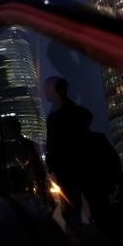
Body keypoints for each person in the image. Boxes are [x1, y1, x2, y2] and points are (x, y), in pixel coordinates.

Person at [44, 76, 91, 222]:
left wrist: (52, 164)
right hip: (74, 169)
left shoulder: (58, 115)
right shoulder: (75, 111)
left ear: (57, 90)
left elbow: (55, 145)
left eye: (48, 87)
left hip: (68, 170)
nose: (45, 91)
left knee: (72, 210)